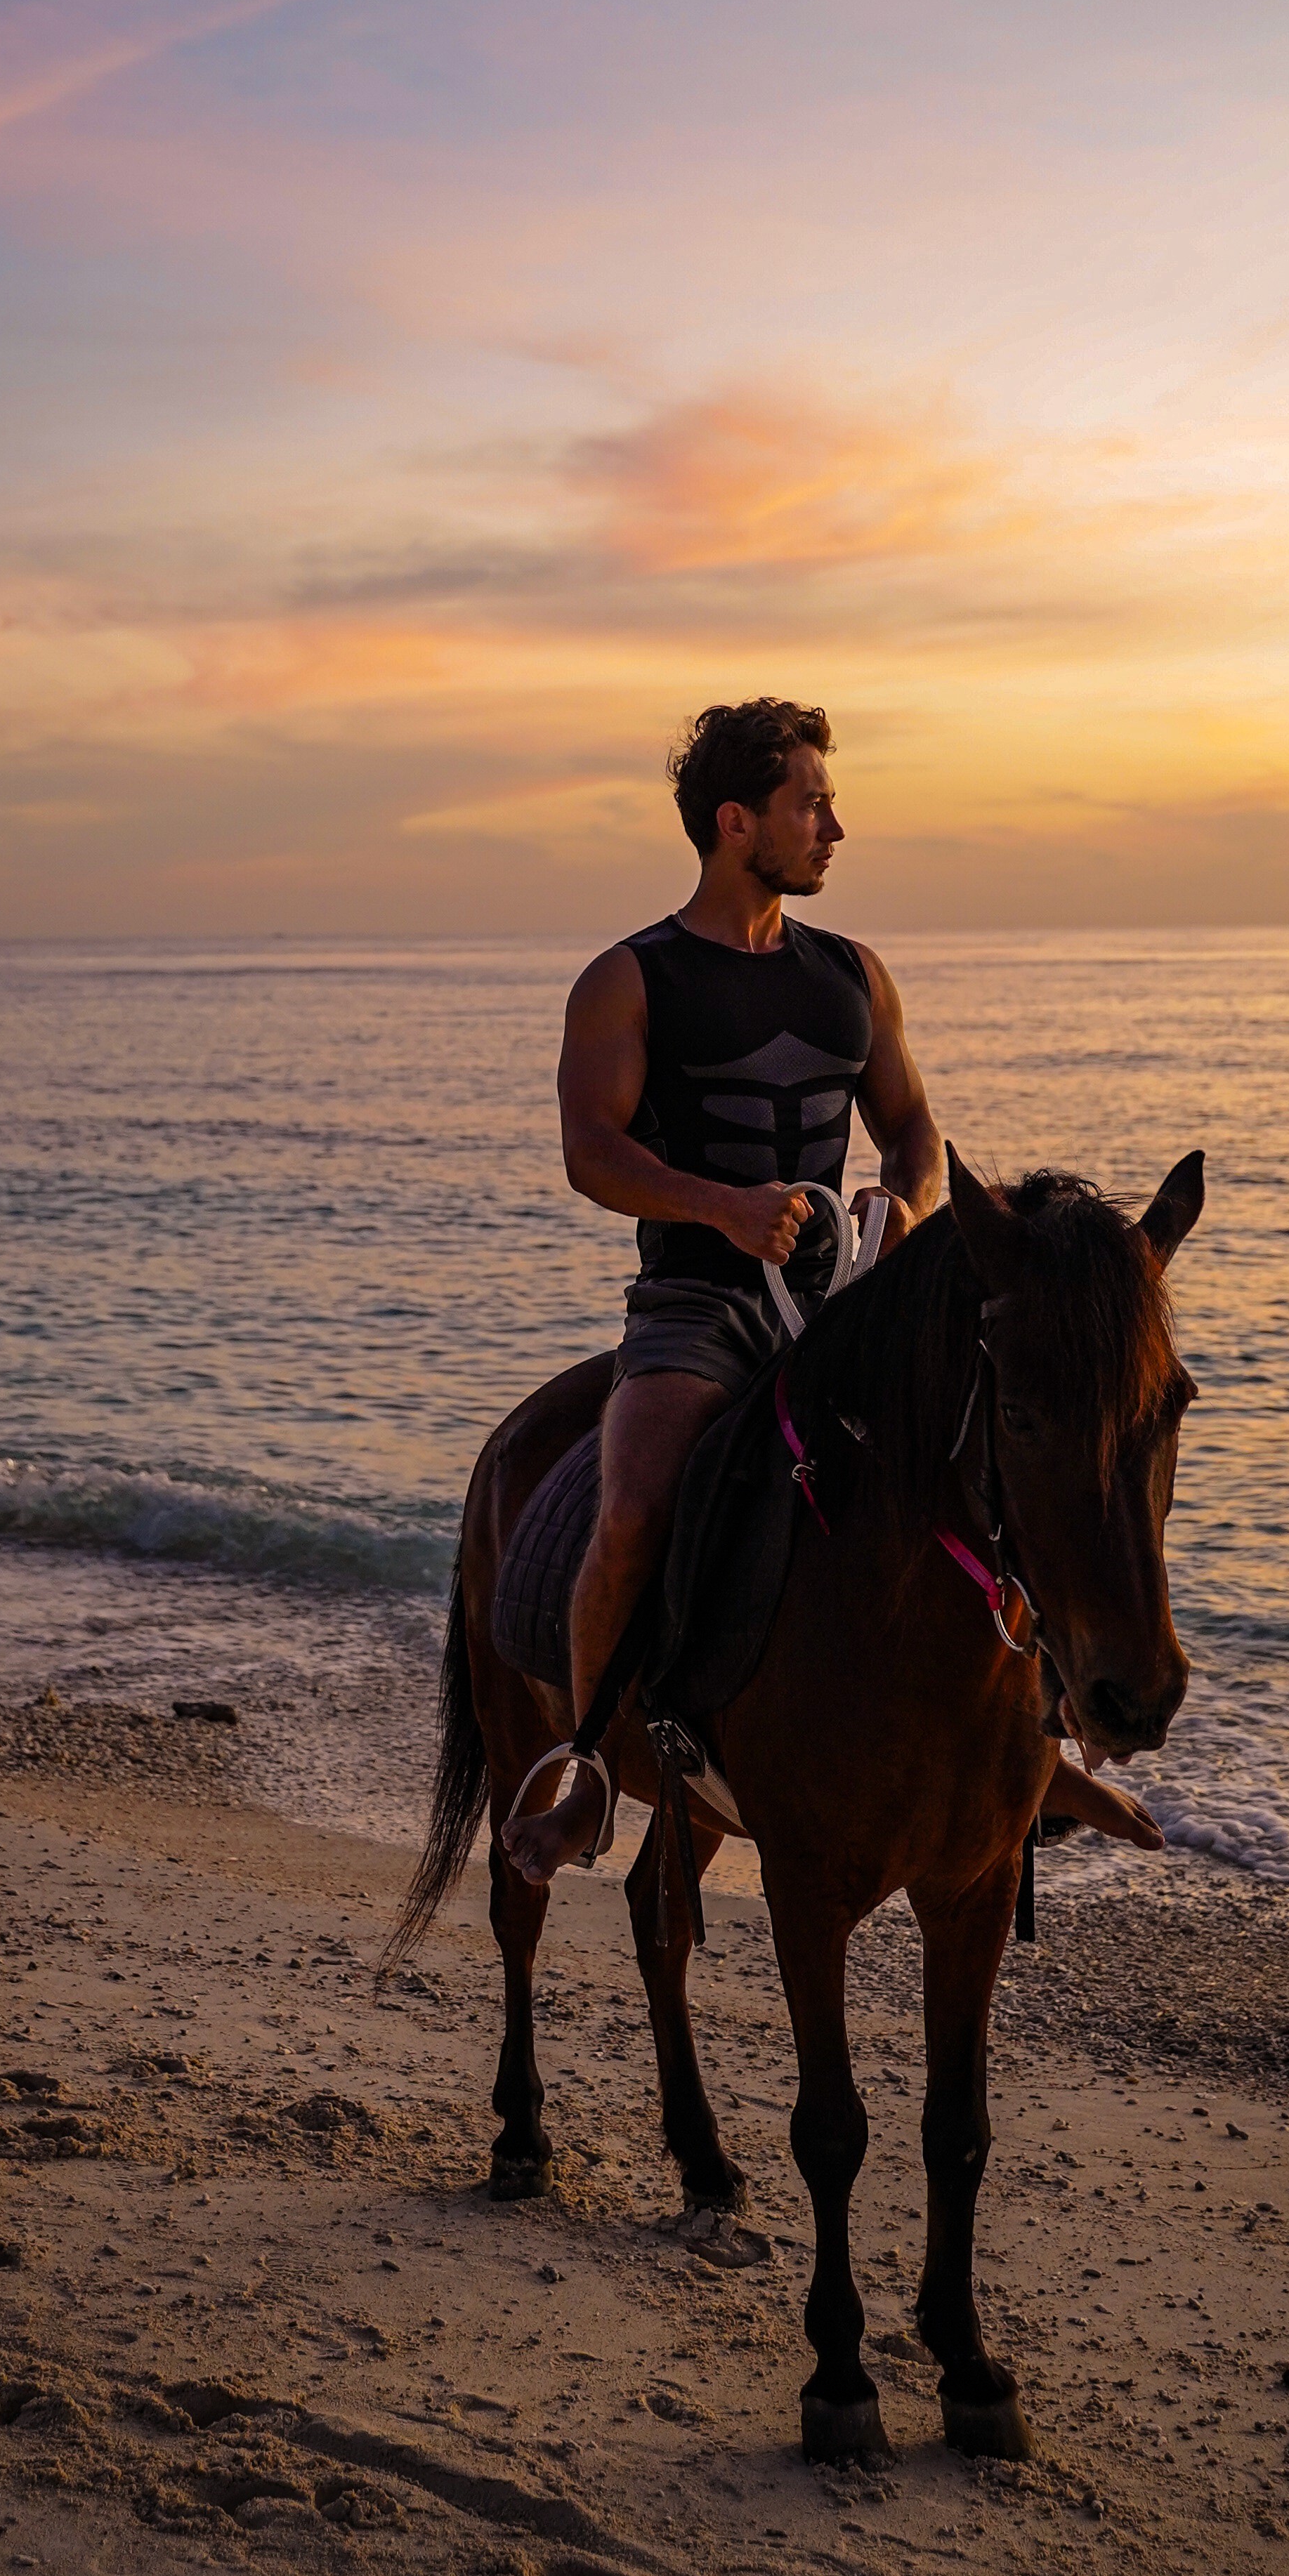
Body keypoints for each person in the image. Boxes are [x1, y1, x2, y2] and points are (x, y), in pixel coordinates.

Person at [502, 697, 945, 1881]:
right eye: (812, 804)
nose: (835, 829)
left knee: (997, 1457)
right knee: (638, 1503)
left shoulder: (855, 975)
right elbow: (592, 1152)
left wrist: (907, 1214)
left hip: (842, 1305)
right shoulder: (630, 979)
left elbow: (915, 1140)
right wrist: (723, 1208)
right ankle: (590, 1769)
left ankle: (1022, 1738)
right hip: (699, 1306)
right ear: (737, 822)